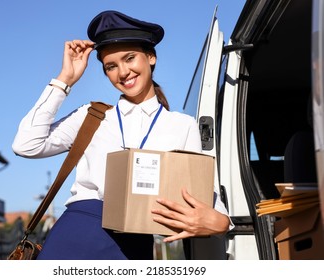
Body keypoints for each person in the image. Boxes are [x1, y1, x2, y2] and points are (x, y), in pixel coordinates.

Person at [12, 10, 231, 260]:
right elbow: (26, 145)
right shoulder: (92, 116)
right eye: (111, 66)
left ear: (151, 57)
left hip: (134, 244)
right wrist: (65, 79)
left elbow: (205, 199)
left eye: (130, 58)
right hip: (74, 236)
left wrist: (222, 223)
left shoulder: (182, 126)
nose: (123, 72)